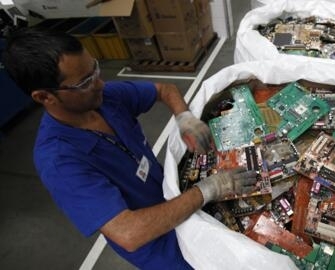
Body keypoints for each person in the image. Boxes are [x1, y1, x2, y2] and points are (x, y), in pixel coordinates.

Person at [2, 28, 257, 269]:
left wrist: (185, 118)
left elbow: (165, 90)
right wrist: (209, 188)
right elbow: (129, 233)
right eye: (84, 82)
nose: (100, 83)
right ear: (45, 97)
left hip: (175, 198)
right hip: (161, 246)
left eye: (95, 69)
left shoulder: (104, 98)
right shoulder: (59, 160)